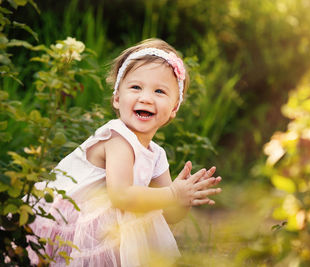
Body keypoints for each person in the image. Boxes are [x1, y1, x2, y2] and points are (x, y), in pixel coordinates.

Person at [28, 38, 222, 266]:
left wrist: (184, 197)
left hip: (113, 232)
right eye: (136, 87)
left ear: (173, 109)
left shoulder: (157, 154)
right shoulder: (117, 139)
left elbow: (168, 215)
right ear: (117, 99)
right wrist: (172, 194)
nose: (146, 98)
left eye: (159, 91)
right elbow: (121, 196)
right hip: (82, 228)